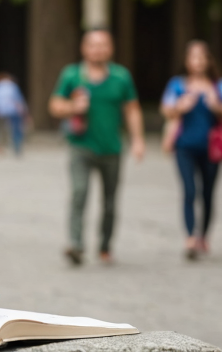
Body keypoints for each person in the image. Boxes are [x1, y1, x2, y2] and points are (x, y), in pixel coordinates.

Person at [49, 28, 144, 267]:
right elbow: (55, 105)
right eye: (93, 44)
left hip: (112, 148)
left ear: (110, 49)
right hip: (81, 146)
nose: (98, 49)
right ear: (84, 48)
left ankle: (105, 246)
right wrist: (72, 107)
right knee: (79, 193)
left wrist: (138, 139)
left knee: (110, 200)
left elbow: (132, 109)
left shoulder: (121, 77)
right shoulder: (72, 75)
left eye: (103, 44)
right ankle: (76, 244)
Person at [160, 41, 222, 260]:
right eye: (194, 57)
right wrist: (179, 107)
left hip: (212, 149)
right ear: (187, 61)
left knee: (208, 193)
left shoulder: (220, 86)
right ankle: (190, 236)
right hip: (185, 146)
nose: (198, 61)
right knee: (189, 190)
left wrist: (217, 106)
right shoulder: (178, 85)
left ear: (209, 61)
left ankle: (204, 235)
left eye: (202, 57)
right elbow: (167, 111)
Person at [0, 73, 28, 156]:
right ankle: (17, 147)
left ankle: (1, 147)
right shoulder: (13, 86)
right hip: (13, 111)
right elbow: (18, 99)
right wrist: (24, 111)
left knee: (1, 130)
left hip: (0, 112)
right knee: (16, 130)